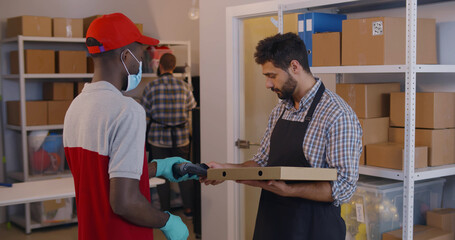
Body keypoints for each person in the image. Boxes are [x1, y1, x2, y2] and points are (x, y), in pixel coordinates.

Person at [201, 32, 362, 240]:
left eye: (272, 75)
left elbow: (344, 187)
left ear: (295, 67)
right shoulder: (281, 110)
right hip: (273, 224)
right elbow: (262, 163)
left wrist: (289, 190)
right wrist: (226, 170)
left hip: (314, 230)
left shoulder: (337, 114)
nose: (268, 84)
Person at [63, 13, 196, 240]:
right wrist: (168, 221)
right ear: (125, 55)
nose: (141, 63)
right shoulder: (127, 110)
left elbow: (102, 174)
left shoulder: (76, 107)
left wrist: (157, 167)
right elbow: (125, 202)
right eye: (141, 54)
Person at [141, 53, 197, 219]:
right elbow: (191, 108)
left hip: (158, 139)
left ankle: (166, 211)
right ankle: (188, 210)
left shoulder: (151, 87)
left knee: (161, 173)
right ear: (173, 66)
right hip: (181, 138)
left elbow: (144, 113)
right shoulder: (185, 87)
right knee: (185, 171)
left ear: (161, 66)